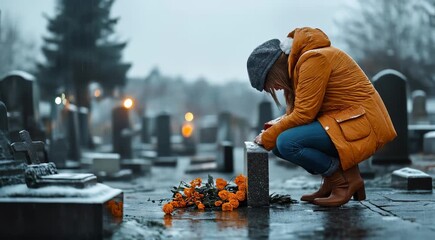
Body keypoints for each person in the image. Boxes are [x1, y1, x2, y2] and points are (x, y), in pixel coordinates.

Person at [246, 27, 397, 207]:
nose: (276, 89)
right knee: (279, 142)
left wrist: (268, 136)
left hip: (363, 123)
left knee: (286, 143)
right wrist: (272, 129)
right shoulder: (301, 64)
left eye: (270, 83)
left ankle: (343, 183)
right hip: (345, 121)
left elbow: (304, 114)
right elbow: (299, 112)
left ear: (275, 69)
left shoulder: (312, 59)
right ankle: (335, 181)